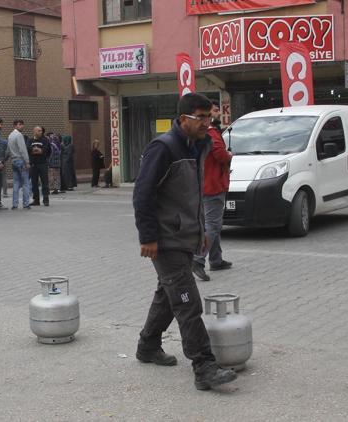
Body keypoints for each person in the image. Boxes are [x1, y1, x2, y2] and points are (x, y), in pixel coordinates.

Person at [133, 93, 237, 390]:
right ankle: (204, 367)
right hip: (165, 240)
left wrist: (201, 227)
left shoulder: (199, 146)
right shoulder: (163, 148)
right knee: (188, 301)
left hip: (185, 235)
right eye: (200, 117)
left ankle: (148, 346)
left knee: (169, 295)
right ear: (182, 120)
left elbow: (194, 194)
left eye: (209, 116)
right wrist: (148, 236)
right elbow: (142, 194)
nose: (207, 122)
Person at [192, 100, 233, 282]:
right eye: (215, 111)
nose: (217, 113)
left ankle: (216, 259)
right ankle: (199, 259)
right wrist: (229, 155)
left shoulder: (198, 133)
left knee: (212, 222)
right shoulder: (212, 133)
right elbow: (219, 153)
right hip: (214, 184)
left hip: (202, 184)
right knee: (213, 225)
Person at [7, 119, 31, 209]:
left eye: (22, 124)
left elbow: (8, 149)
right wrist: (27, 161)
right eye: (20, 124)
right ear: (15, 126)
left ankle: (15, 204)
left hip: (13, 161)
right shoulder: (19, 135)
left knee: (16, 183)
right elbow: (22, 149)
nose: (22, 126)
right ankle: (26, 203)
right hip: (21, 161)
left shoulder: (10, 135)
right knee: (25, 183)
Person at [28, 126, 51, 206]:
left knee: (45, 182)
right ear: (34, 131)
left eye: (41, 131)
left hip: (43, 164)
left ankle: (46, 200)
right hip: (33, 164)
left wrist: (40, 151)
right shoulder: (30, 140)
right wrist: (37, 150)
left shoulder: (45, 140)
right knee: (34, 183)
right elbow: (28, 149)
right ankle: (36, 200)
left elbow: (46, 150)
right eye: (39, 131)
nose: (41, 132)